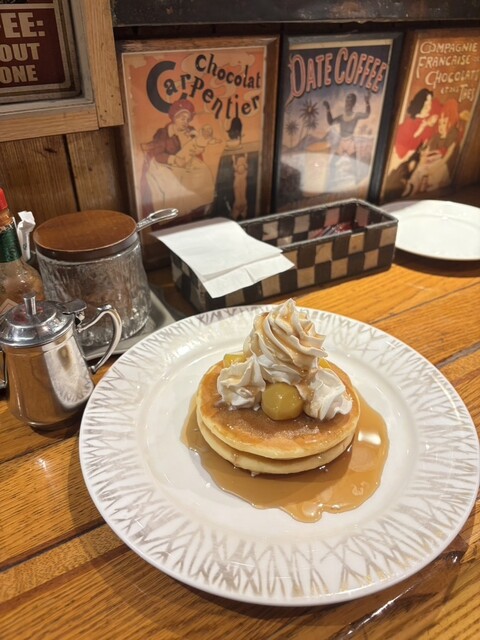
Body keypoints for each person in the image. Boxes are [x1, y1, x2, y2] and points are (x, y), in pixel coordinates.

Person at [394, 88, 440, 161]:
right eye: (426, 105)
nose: (429, 107)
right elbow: (402, 152)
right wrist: (420, 130)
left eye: (430, 104)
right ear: (419, 104)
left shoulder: (428, 119)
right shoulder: (409, 124)